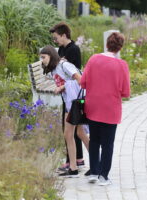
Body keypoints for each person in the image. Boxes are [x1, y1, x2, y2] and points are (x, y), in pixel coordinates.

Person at [80, 32, 130, 185]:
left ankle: (93, 172)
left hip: (93, 106)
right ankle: (103, 176)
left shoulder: (94, 59)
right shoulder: (121, 65)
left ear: (107, 44)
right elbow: (125, 92)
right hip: (110, 109)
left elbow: (83, 82)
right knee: (108, 143)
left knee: (94, 140)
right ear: (120, 47)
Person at [40, 45, 89, 177]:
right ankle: (92, 163)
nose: (42, 60)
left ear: (51, 55)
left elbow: (80, 80)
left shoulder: (64, 65)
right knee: (80, 133)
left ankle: (75, 167)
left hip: (75, 103)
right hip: (71, 103)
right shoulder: (53, 69)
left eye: (44, 57)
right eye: (41, 58)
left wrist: (62, 86)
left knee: (69, 134)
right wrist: (62, 88)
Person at [49, 22, 88, 174]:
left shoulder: (74, 50)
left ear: (64, 35)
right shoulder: (62, 49)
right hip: (67, 95)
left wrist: (61, 87)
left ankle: (75, 162)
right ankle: (76, 160)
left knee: (74, 130)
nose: (55, 41)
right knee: (74, 130)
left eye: (56, 37)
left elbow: (75, 77)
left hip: (74, 96)